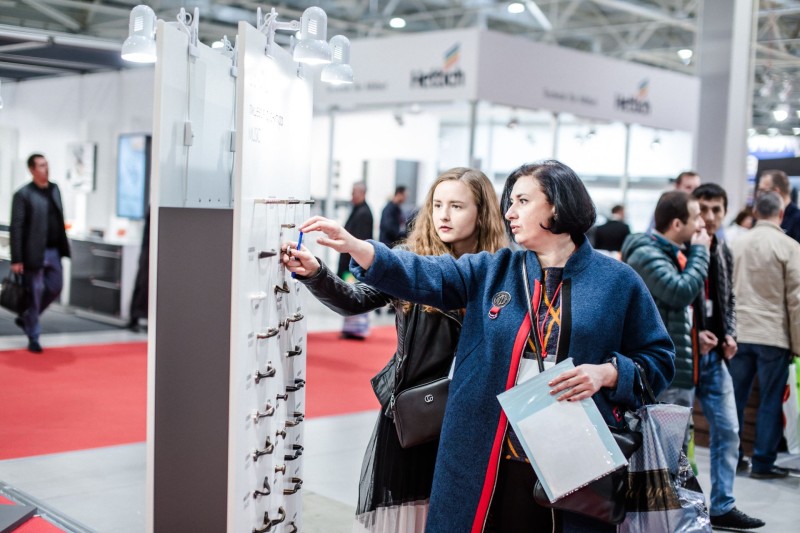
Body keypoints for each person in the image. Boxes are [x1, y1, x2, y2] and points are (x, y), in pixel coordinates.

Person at [292, 160, 675, 533]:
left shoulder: (618, 282)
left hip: (570, 457)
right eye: (510, 202)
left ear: (557, 206)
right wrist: (359, 248)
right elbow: (423, 273)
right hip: (484, 450)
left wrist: (608, 373)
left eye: (523, 201)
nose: (510, 212)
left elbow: (658, 358)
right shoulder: (494, 269)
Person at [282, 168, 507, 532]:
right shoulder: (409, 260)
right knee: (409, 518)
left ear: (482, 213)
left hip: (471, 418)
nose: (444, 215)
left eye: (457, 206)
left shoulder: (501, 270)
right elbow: (355, 300)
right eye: (437, 204)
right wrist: (316, 273)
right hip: (413, 414)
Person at [691, 184, 764, 529]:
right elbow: (671, 303)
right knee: (677, 438)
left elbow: (728, 299)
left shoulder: (723, 249)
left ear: (725, 212)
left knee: (729, 430)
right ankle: (680, 507)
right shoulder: (683, 247)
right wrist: (694, 335)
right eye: (703, 208)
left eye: (716, 209)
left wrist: (730, 333)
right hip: (684, 358)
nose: (709, 216)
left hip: (716, 356)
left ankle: (722, 506)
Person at [729, 191, 800, 480]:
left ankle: (733, 457)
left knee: (735, 399)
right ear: (781, 214)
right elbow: (796, 300)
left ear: (755, 212)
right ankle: (762, 462)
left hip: (739, 332)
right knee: (770, 400)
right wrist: (797, 344)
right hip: (773, 335)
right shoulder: (790, 247)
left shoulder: (736, 243)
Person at [622, 190, 711, 415]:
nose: (702, 224)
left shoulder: (671, 253)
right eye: (696, 217)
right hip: (664, 372)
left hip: (678, 366)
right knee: (668, 435)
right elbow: (680, 292)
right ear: (677, 224)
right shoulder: (646, 254)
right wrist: (701, 252)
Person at [10, 153, 71, 353]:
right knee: (34, 293)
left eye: (47, 164)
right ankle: (34, 336)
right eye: (41, 165)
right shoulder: (23, 195)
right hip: (34, 253)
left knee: (55, 287)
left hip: (54, 250)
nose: (46, 168)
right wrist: (17, 258)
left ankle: (28, 317)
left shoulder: (54, 190)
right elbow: (17, 227)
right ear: (32, 170)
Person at [338, 181, 374, 339]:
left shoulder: (364, 213)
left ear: (362, 193)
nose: (352, 195)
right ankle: (352, 329)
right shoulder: (358, 210)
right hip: (351, 262)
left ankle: (357, 330)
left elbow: (358, 241)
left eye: (354, 192)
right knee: (349, 294)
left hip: (355, 263)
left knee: (355, 294)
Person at [755, 169, 800, 243]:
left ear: (776, 191)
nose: (759, 194)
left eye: (762, 190)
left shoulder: (797, 219)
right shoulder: (761, 214)